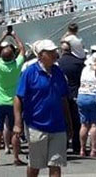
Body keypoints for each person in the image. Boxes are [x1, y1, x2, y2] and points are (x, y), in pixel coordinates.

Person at [14, 39, 71, 177]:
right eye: (50, 52)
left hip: (58, 126)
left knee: (56, 164)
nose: (54, 54)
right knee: (35, 165)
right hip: (36, 125)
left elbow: (64, 99)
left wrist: (69, 122)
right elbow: (18, 98)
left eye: (54, 51)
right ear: (40, 55)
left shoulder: (58, 72)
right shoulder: (30, 72)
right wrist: (17, 123)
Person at [0, 29, 26, 166]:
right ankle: (16, 157)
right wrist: (14, 36)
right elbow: (22, 48)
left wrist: (3, 36)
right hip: (14, 102)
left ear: (1, 56)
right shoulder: (17, 66)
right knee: (15, 130)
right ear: (13, 56)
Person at [57, 34, 85, 156]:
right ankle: (76, 145)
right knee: (76, 121)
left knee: (63, 119)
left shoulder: (58, 63)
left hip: (62, 94)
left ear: (62, 50)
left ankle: (63, 144)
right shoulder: (78, 62)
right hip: (75, 92)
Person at [76, 53, 96, 157]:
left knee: (84, 124)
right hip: (93, 95)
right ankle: (94, 149)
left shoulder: (85, 69)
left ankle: (82, 149)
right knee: (94, 124)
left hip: (81, 95)